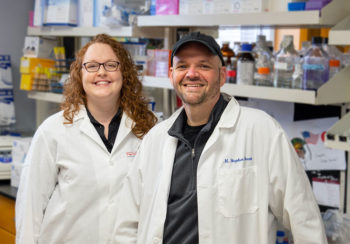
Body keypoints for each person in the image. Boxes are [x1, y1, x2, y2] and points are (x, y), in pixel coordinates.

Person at [113, 32, 327, 244]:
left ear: (222, 75)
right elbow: (127, 223)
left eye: (204, 66)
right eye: (182, 66)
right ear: (171, 75)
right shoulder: (155, 139)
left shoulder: (262, 131)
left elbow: (304, 219)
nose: (192, 74)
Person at [15, 33, 157, 244]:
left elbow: (154, 201)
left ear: (124, 73)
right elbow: (30, 206)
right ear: (79, 75)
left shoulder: (147, 127)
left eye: (111, 65)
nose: (101, 72)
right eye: (91, 66)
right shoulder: (54, 130)